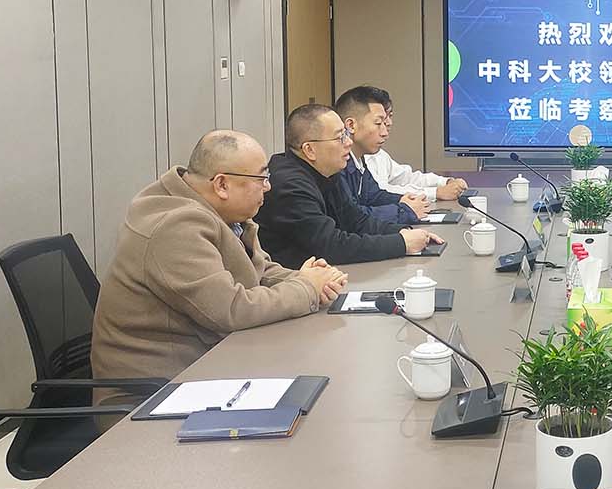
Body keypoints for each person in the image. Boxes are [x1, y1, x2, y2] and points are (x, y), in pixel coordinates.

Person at [91, 130, 348, 409]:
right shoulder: (175, 226)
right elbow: (230, 310)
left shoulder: (219, 212)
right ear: (222, 184)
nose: (268, 187)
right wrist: (306, 288)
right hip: (153, 395)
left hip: (206, 372)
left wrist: (310, 279)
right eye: (261, 178)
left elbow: (259, 271)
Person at [256, 104, 443, 268]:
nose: (349, 142)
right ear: (310, 150)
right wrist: (401, 243)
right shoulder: (289, 186)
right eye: (340, 138)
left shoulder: (328, 170)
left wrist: (404, 232)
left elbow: (356, 220)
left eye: (346, 134)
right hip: (291, 280)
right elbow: (331, 246)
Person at [334, 85, 429, 225]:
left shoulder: (358, 160)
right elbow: (353, 218)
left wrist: (401, 200)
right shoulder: (336, 164)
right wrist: (405, 211)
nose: (385, 133)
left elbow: (374, 196)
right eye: (378, 123)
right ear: (351, 125)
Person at [363, 88, 469, 203]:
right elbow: (380, 193)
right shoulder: (355, 158)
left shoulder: (379, 154)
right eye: (380, 120)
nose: (388, 123)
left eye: (390, 116)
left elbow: (406, 177)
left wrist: (444, 182)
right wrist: (436, 192)